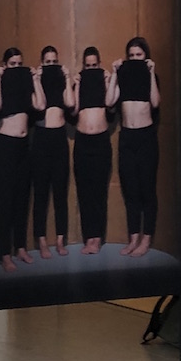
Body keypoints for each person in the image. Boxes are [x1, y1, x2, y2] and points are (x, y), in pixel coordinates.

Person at [0, 47, 42, 271]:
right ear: (5, 64)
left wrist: (36, 80)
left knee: (22, 199)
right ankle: (4, 254)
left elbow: (40, 105)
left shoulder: (25, 86)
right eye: (12, 64)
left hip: (23, 147)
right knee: (6, 202)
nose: (17, 68)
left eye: (19, 64)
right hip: (4, 147)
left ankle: (20, 247)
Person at [115, 37, 161, 258]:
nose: (134, 59)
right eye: (131, 55)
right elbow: (109, 101)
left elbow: (155, 102)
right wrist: (115, 72)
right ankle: (133, 238)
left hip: (145, 138)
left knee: (147, 190)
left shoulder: (150, 75)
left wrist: (151, 72)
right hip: (126, 137)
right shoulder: (123, 74)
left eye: (138, 55)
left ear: (146, 56)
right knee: (130, 190)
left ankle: (146, 239)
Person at [31, 46, 74, 259]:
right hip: (41, 138)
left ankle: (60, 239)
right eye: (47, 61)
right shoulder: (36, 81)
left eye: (53, 61)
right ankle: (41, 241)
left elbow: (70, 103)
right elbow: (37, 107)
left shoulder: (61, 80)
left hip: (59, 138)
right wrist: (37, 79)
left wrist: (66, 77)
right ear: (42, 62)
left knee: (60, 192)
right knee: (40, 193)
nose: (50, 65)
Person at [71, 46, 113, 255]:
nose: (91, 69)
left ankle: (97, 238)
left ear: (100, 64)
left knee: (99, 191)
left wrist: (107, 80)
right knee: (84, 191)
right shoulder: (78, 84)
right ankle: (89, 238)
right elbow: (74, 109)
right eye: (87, 66)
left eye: (94, 65)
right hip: (82, 142)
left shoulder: (105, 82)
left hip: (101, 142)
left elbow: (110, 105)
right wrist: (77, 85)